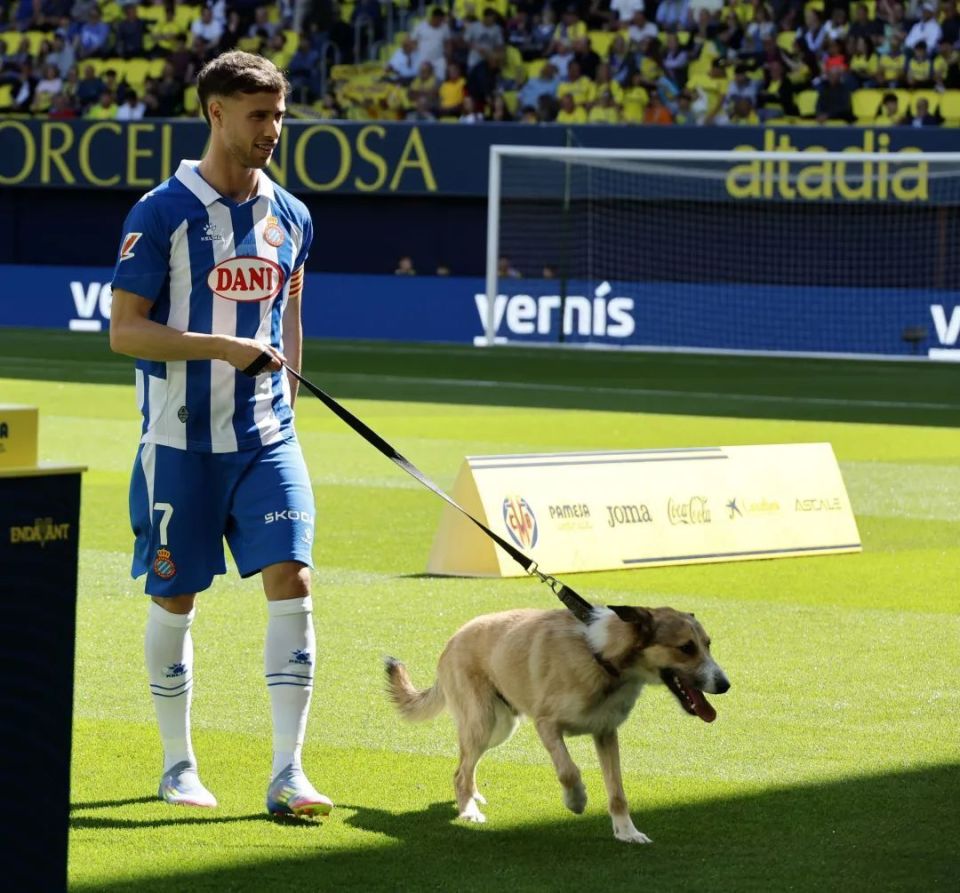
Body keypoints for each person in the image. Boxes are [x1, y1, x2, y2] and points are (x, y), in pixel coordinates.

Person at [108, 51, 332, 820]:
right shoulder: (161, 213)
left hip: (267, 439)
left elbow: (289, 315)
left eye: (279, 116)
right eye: (258, 116)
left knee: (293, 579)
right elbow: (125, 332)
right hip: (179, 442)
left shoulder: (292, 215)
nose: (273, 130)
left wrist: (287, 397)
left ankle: (289, 771)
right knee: (176, 593)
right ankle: (178, 763)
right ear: (216, 113)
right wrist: (223, 349)